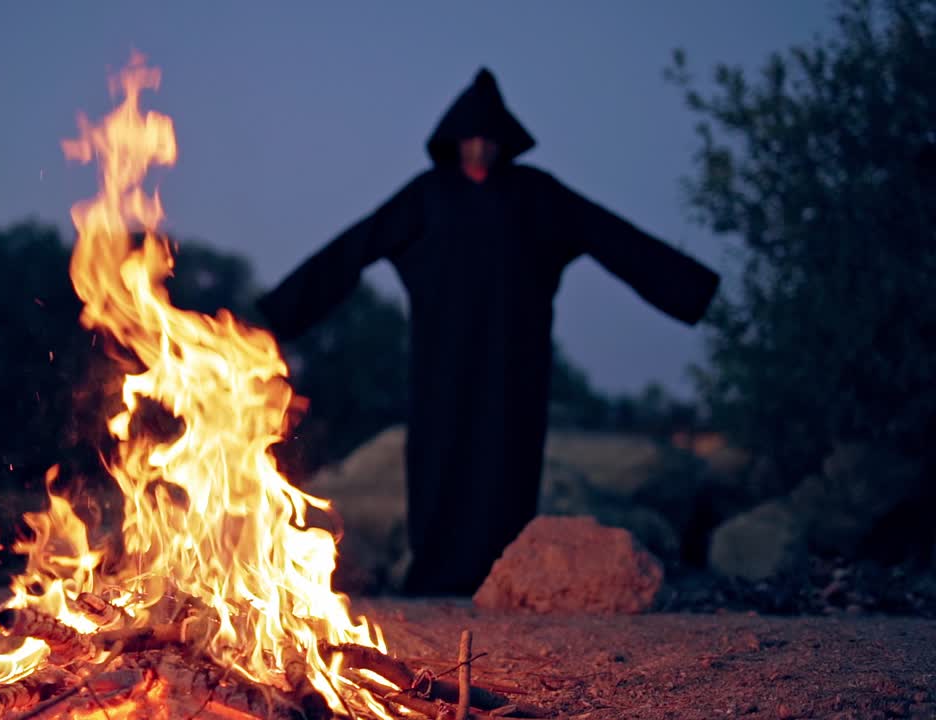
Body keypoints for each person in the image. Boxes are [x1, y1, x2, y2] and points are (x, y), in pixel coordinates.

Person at [256, 67, 720, 596]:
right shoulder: (427, 196)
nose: (479, 149)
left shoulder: (538, 194)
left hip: (514, 363)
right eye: (470, 139)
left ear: (505, 144)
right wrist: (278, 316)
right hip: (440, 363)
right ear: (453, 142)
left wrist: (690, 290)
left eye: (489, 140)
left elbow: (612, 238)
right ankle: (437, 577)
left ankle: (503, 577)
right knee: (439, 462)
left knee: (507, 463)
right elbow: (354, 248)